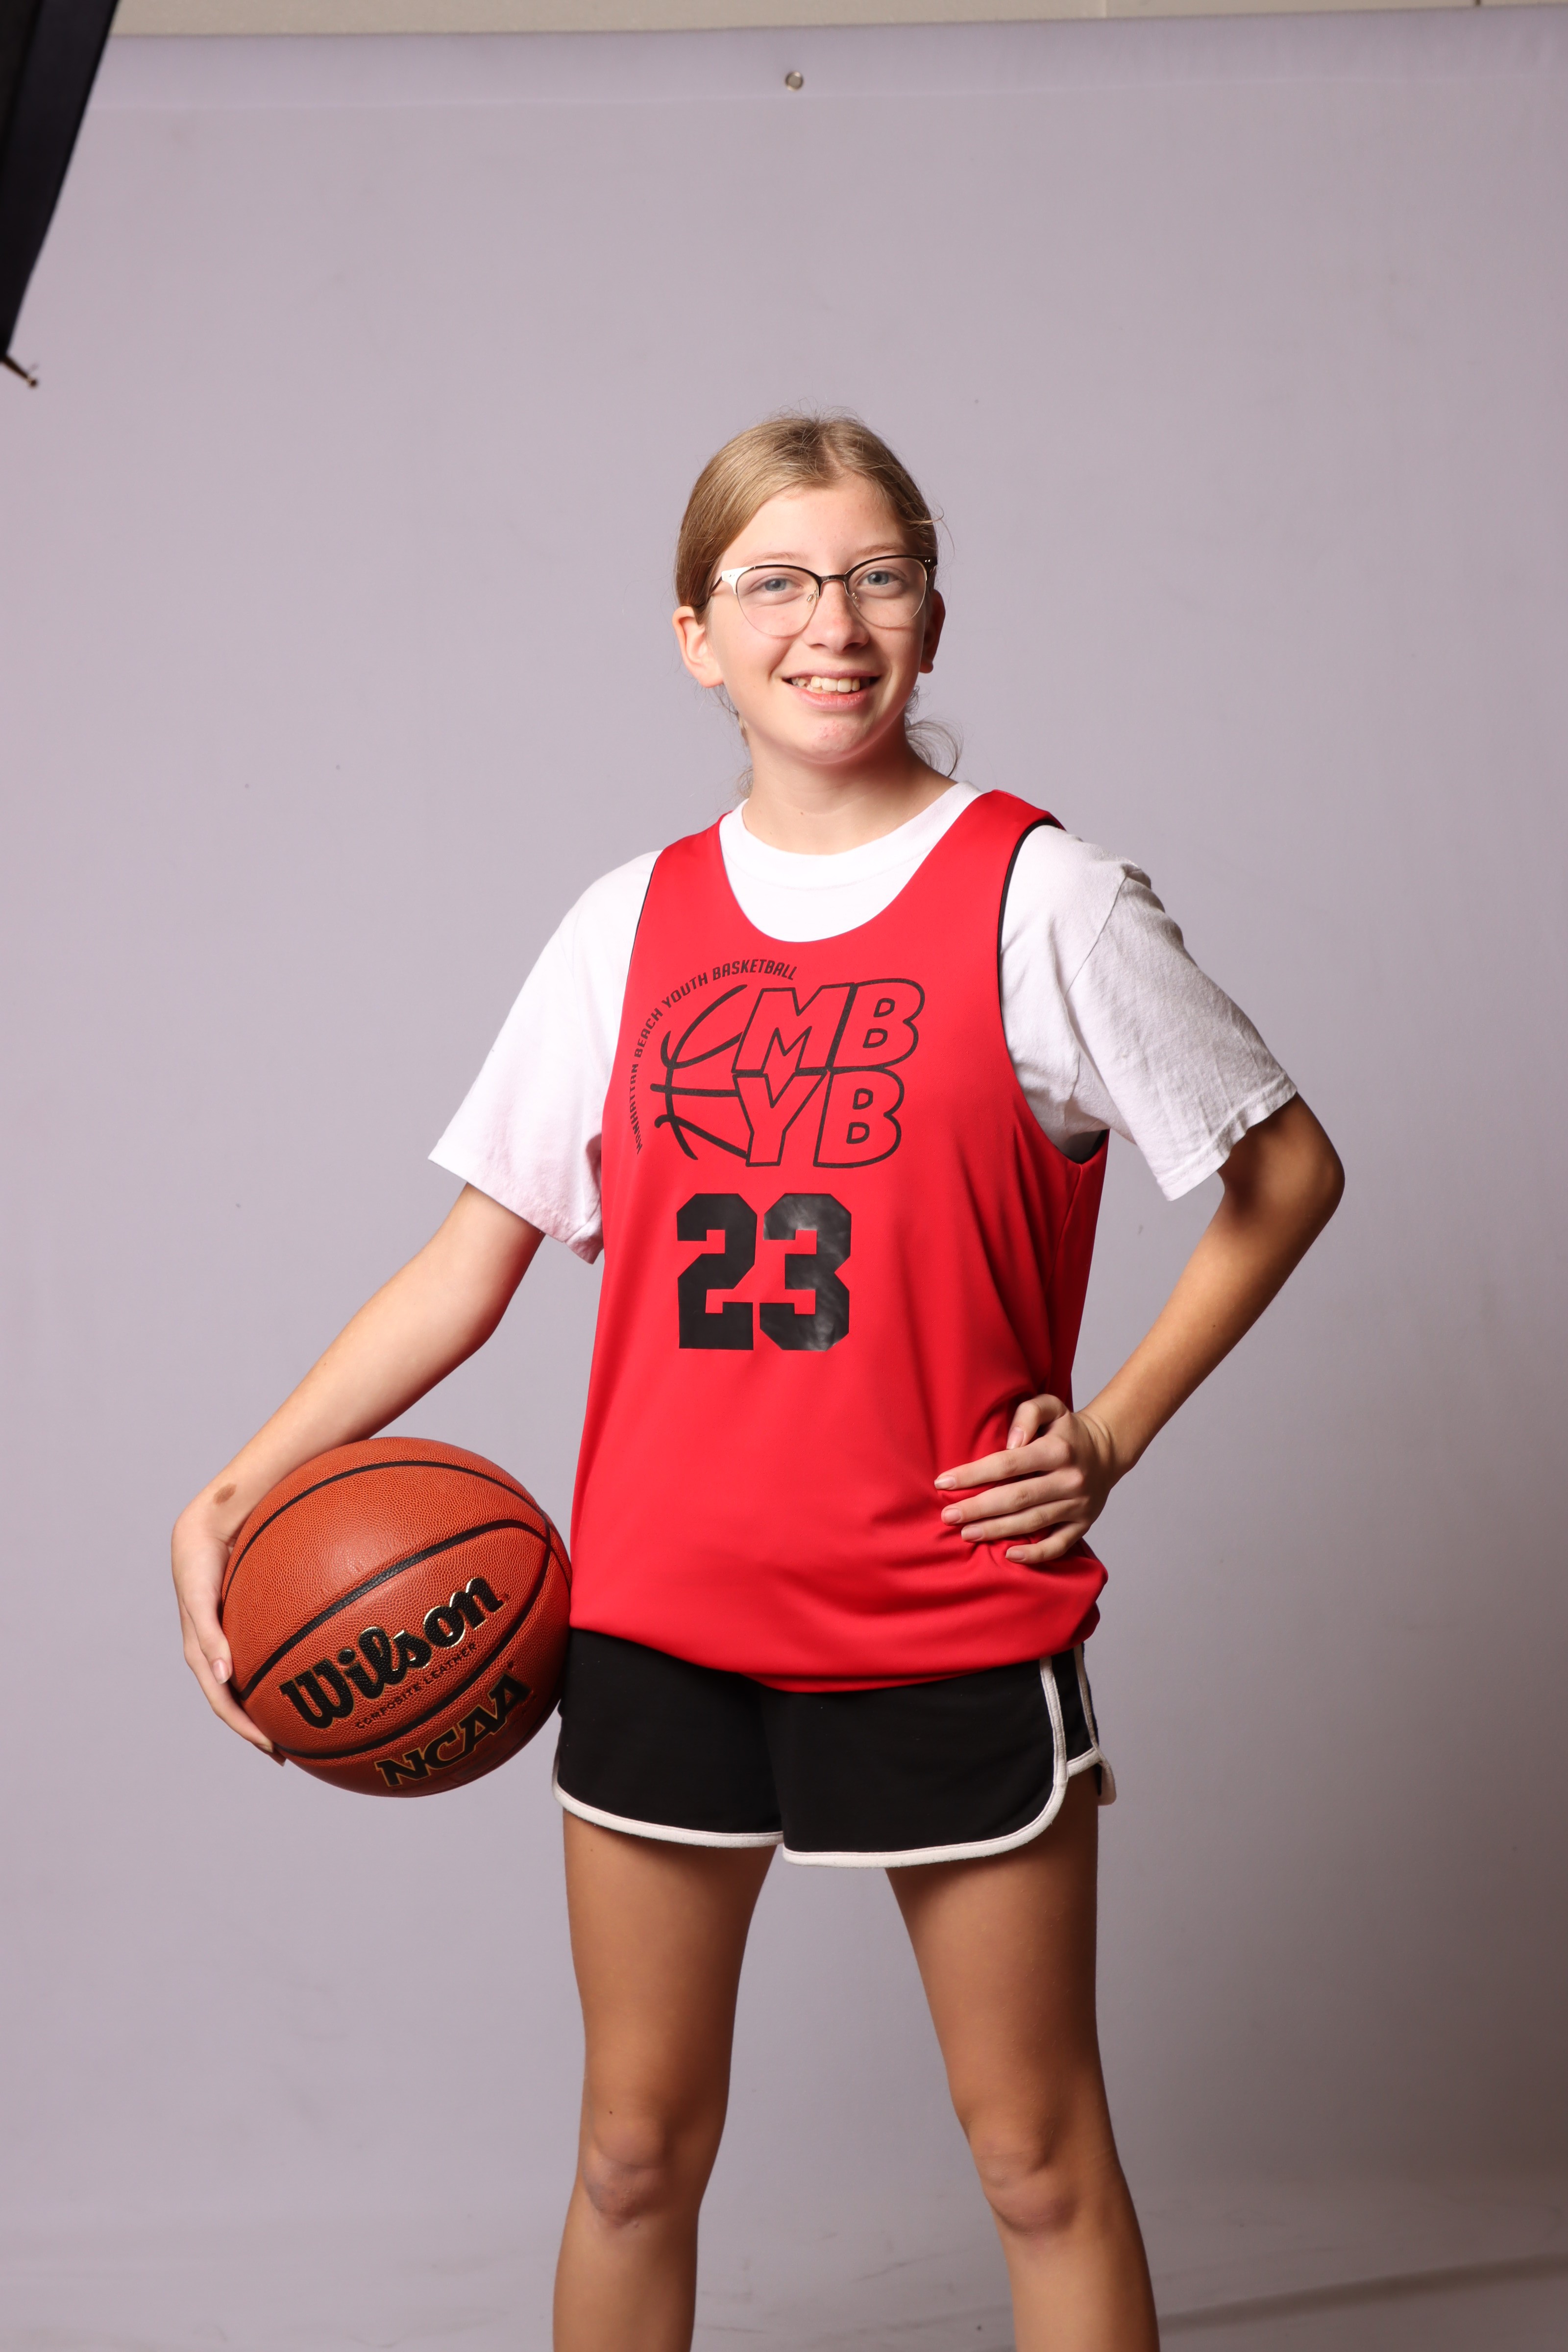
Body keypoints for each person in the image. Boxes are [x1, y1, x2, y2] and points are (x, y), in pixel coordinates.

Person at [172, 414, 1343, 2352]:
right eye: (776, 584)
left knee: (1034, 2160)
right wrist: (243, 1479)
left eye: (876, 577)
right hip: (659, 1627)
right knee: (632, 2154)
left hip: (940, 1618)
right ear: (695, 637)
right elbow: (469, 1266)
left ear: (931, 618)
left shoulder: (1042, 898)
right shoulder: (622, 926)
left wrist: (1111, 1431)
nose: (831, 624)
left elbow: (1283, 1173)